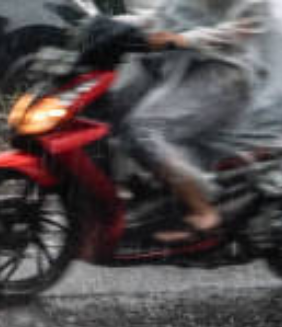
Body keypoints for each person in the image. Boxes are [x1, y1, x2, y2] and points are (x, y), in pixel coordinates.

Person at [115, 0, 269, 243]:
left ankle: (204, 210)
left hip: (227, 74)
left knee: (146, 128)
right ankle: (160, 197)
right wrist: (108, 26)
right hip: (189, 70)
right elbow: (166, 13)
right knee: (121, 118)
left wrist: (185, 39)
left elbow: (239, 31)